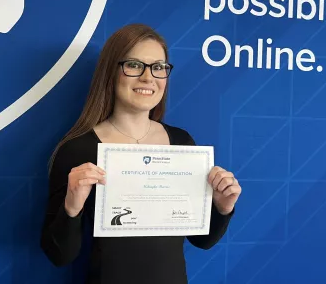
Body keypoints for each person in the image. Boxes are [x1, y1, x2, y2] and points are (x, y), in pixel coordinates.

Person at [40, 23, 242, 284]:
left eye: (158, 67)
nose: (149, 77)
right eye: (135, 65)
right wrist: (72, 206)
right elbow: (59, 256)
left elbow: (202, 240)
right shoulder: (78, 149)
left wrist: (222, 207)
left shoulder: (182, 143)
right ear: (111, 73)